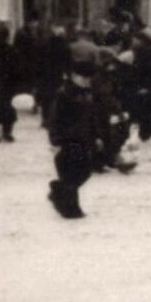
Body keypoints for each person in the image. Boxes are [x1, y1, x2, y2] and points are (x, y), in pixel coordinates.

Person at [48, 55, 102, 218]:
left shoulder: (87, 93)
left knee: (83, 171)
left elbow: (92, 118)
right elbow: (55, 118)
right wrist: (56, 139)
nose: (86, 81)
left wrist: (96, 136)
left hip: (83, 138)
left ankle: (60, 194)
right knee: (71, 173)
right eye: (83, 77)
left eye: (88, 78)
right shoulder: (65, 94)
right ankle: (70, 207)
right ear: (73, 76)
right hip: (68, 139)